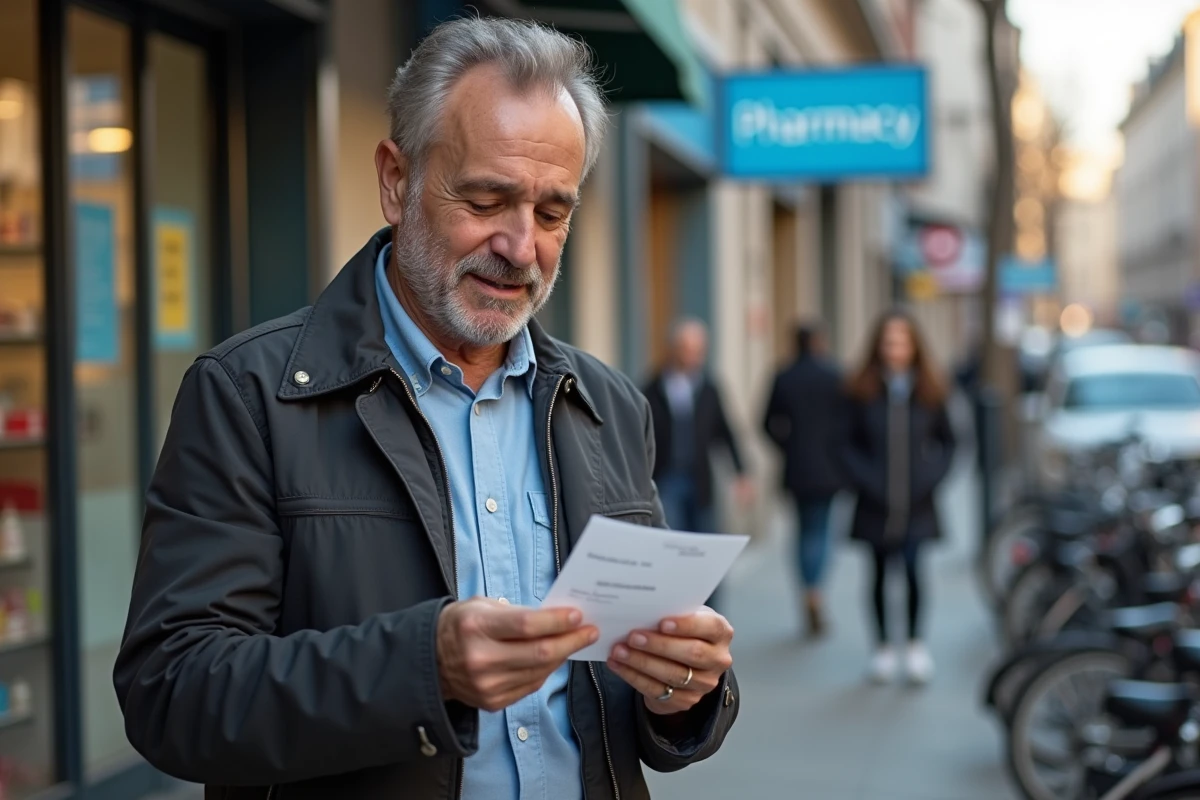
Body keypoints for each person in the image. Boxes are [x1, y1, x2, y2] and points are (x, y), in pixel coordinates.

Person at [113, 18, 738, 799]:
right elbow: (171, 692)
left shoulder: (610, 404)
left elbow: (630, 703)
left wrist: (684, 691)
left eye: (552, 214)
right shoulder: (247, 394)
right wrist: (420, 667)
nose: (521, 246)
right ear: (395, 181)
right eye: (486, 199)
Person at [840, 309, 955, 685]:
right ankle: (883, 648)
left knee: (913, 571)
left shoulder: (929, 390)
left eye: (902, 341)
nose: (895, 349)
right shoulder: (862, 390)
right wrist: (866, 479)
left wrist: (929, 478)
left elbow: (951, 442)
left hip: (917, 504)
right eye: (889, 342)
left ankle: (916, 645)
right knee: (877, 574)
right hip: (875, 504)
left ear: (914, 346)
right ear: (878, 345)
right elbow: (844, 444)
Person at [763, 323, 844, 637]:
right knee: (822, 530)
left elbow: (765, 422)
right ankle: (816, 589)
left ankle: (807, 588)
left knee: (803, 531)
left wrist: (787, 445)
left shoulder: (784, 376)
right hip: (828, 468)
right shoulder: (833, 376)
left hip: (797, 467)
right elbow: (847, 422)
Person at [643, 319, 752, 537]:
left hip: (700, 479)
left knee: (704, 537)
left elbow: (725, 431)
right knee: (671, 538)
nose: (693, 356)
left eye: (699, 350)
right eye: (687, 349)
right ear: (673, 349)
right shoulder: (652, 389)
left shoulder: (709, 389)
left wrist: (741, 472)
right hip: (666, 478)